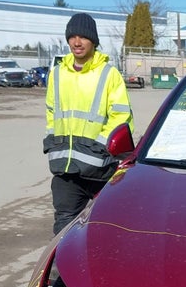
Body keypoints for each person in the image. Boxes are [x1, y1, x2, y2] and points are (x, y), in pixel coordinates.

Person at [44, 12, 134, 234]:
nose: (76, 42)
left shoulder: (108, 74)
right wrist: (54, 143)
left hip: (99, 169)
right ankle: (62, 270)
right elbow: (51, 113)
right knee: (64, 230)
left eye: (83, 37)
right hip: (66, 171)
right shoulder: (56, 74)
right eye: (72, 36)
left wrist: (102, 146)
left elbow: (121, 118)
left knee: (105, 229)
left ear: (93, 40)